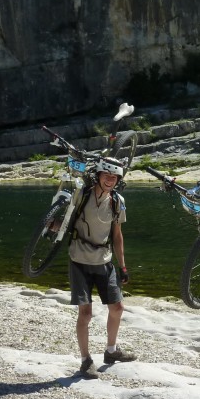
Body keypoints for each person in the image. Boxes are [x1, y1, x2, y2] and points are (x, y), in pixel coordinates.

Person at [68, 156, 136, 379]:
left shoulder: (118, 201)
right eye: (106, 175)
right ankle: (86, 360)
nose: (110, 180)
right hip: (79, 259)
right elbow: (65, 218)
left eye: (114, 177)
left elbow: (117, 236)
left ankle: (111, 351)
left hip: (104, 261)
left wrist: (123, 266)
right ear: (97, 175)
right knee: (85, 314)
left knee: (117, 308)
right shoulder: (82, 194)